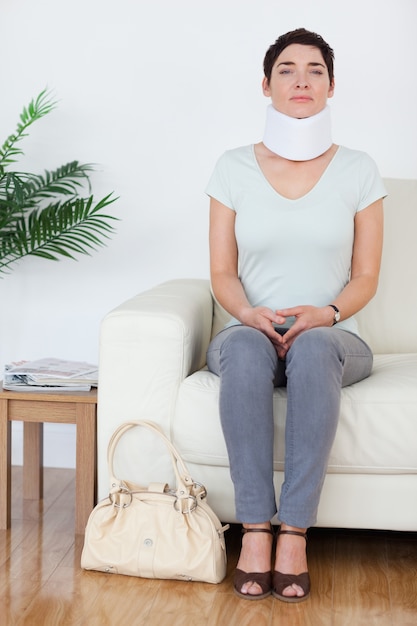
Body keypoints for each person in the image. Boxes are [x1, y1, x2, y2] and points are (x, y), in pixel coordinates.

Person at [205, 28, 386, 602]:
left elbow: (365, 278)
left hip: (334, 340)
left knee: (311, 347)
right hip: (252, 333)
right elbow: (222, 274)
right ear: (266, 84)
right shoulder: (232, 167)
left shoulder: (359, 170)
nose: (301, 79)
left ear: (331, 86)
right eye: (287, 69)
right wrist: (248, 314)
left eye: (314, 69)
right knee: (241, 346)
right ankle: (255, 528)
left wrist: (326, 314)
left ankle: (295, 533)